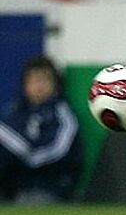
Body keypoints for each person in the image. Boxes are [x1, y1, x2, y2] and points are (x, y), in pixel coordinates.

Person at [0, 55, 84, 204]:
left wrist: (12, 143)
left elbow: (51, 153)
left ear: (55, 84)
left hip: (49, 188)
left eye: (44, 80)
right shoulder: (14, 111)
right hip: (12, 188)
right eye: (33, 80)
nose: (38, 86)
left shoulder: (62, 114)